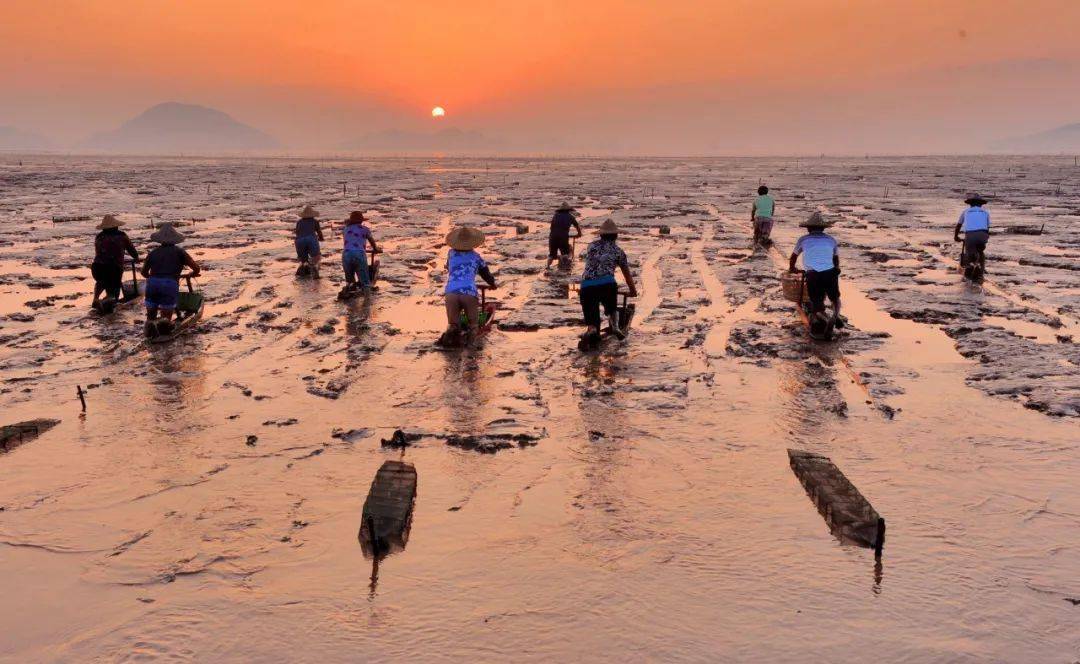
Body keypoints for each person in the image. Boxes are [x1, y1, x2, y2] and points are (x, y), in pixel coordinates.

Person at [579, 218, 638, 343]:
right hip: (607, 284)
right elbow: (627, 274)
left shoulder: (591, 246)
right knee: (612, 308)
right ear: (616, 236)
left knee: (591, 312)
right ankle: (615, 326)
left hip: (586, 285)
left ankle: (592, 329)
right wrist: (633, 291)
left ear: (601, 234)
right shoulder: (619, 252)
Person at [441, 225, 497, 347]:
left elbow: (450, 267)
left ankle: (450, 345)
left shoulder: (451, 253)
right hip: (469, 293)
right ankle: (470, 347)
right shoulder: (476, 257)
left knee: (453, 324)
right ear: (472, 242)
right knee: (473, 324)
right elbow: (486, 274)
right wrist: (492, 284)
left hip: (451, 292)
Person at [141, 223, 200, 332]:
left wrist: (154, 278)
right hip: (169, 284)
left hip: (152, 283)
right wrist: (193, 273)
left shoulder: (153, 253)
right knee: (165, 318)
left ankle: (150, 329)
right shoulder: (179, 252)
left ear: (160, 240)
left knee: (150, 316)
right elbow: (196, 267)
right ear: (175, 240)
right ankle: (164, 327)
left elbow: (144, 272)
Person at [788, 212, 843, 330]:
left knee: (817, 302)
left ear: (808, 228)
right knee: (835, 298)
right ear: (823, 228)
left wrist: (792, 268)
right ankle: (836, 315)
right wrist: (836, 269)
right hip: (830, 272)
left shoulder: (803, 239)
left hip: (813, 274)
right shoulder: (831, 239)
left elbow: (793, 257)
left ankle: (824, 317)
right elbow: (835, 258)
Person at [91, 214, 139, 309]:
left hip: (97, 267)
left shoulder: (99, 237)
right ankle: (110, 304)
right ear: (116, 226)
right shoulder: (121, 236)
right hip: (114, 267)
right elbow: (132, 250)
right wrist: (136, 257)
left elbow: (98, 252)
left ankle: (96, 298)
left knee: (101, 282)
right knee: (113, 288)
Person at [341, 211, 380, 294]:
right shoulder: (365, 229)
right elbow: (371, 241)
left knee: (349, 277)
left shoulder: (346, 229)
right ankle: (367, 299)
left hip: (346, 254)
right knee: (364, 279)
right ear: (361, 220)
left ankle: (350, 286)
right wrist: (375, 249)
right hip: (359, 254)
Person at [954, 194, 990, 276]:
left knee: (969, 252)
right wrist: (985, 238)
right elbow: (987, 228)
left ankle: (969, 267)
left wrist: (956, 236)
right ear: (981, 204)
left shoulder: (965, 211)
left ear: (970, 204)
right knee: (981, 250)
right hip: (983, 234)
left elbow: (959, 225)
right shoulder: (985, 212)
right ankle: (982, 268)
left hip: (970, 235)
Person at [546, 202, 582, 269]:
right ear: (568, 210)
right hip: (563, 237)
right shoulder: (570, 216)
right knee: (565, 252)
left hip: (552, 236)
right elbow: (577, 225)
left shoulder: (555, 215)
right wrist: (579, 234)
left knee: (551, 254)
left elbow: (552, 227)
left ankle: (547, 266)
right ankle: (564, 265)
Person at [294, 205, 325, 277]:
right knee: (316, 257)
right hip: (311, 239)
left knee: (303, 258)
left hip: (299, 240)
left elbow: (297, 232)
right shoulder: (315, 221)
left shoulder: (299, 222)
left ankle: (303, 267)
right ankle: (314, 268)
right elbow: (319, 232)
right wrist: (321, 238)